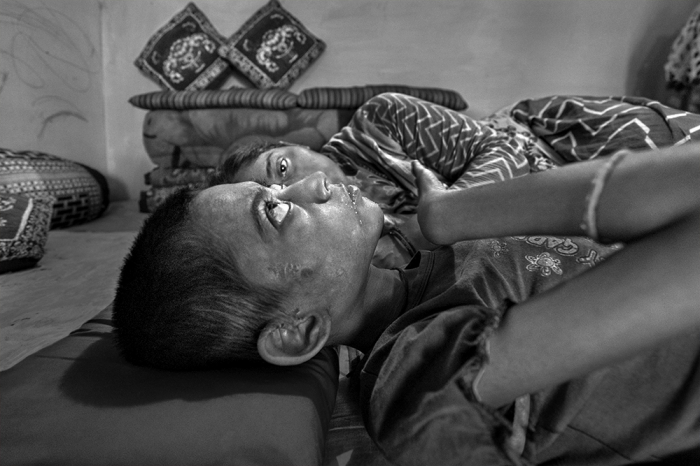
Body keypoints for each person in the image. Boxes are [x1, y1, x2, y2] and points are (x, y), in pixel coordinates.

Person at [113, 141, 700, 464]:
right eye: (277, 211)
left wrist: (444, 221)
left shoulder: (435, 260)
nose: (313, 183)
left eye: (278, 180)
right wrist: (453, 213)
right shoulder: (416, 381)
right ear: (296, 331)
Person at [210, 92, 700, 268]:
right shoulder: (337, 235)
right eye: (276, 194)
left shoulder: (380, 120)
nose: (299, 184)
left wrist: (447, 213)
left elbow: (505, 147)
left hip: (564, 146)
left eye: (282, 165)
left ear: (306, 143)